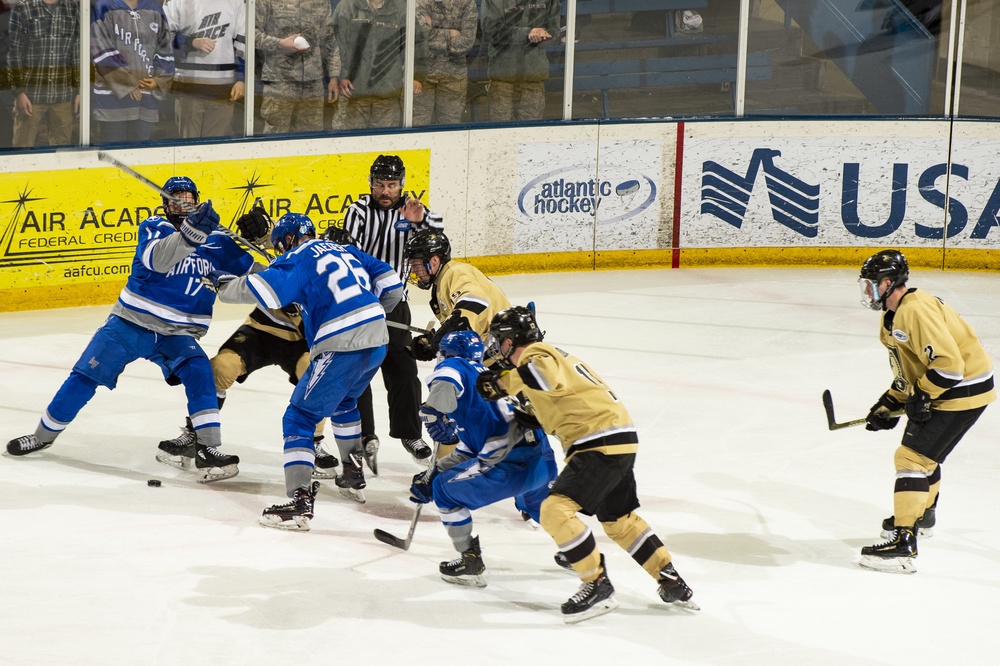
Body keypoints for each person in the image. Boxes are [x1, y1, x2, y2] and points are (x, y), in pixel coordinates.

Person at [7, 178, 253, 485]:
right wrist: (193, 233)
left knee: (200, 372)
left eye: (187, 199)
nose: (181, 205)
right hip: (129, 325)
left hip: (177, 335)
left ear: (197, 201)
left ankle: (208, 448)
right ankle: (42, 436)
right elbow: (159, 260)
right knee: (84, 378)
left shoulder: (218, 242)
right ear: (166, 205)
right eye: (174, 200)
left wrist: (262, 244)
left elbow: (245, 286)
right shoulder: (155, 227)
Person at [475, 305, 697, 623]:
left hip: (598, 441)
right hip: (617, 439)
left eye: (500, 340)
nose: (496, 347)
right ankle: (670, 579)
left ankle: (597, 584)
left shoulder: (536, 355)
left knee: (554, 510)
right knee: (619, 520)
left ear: (513, 341)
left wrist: (501, 384)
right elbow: (554, 401)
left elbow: (541, 376)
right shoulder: (549, 360)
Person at [208, 212, 404, 527]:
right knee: (344, 403)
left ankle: (299, 503)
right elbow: (392, 287)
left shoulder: (297, 257)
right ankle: (353, 474)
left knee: (299, 417)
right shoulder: (344, 250)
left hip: (341, 343)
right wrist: (366, 314)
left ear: (287, 240)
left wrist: (224, 286)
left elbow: (263, 290)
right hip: (377, 336)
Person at [156, 206, 339, 479]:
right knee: (220, 367)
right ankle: (197, 435)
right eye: (285, 241)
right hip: (261, 330)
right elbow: (266, 259)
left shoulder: (326, 263)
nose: (292, 245)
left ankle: (313, 444)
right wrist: (263, 236)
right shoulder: (284, 255)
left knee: (314, 379)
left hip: (302, 340)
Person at [858, 250, 994, 574]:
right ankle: (923, 515)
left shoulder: (915, 311)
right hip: (954, 390)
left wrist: (921, 395)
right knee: (924, 456)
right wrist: (890, 402)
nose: (867, 291)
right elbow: (913, 370)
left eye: (871, 285)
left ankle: (904, 544)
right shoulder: (893, 315)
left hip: (962, 391)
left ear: (888, 283)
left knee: (912, 459)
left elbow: (949, 367)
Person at [408, 329, 558, 587]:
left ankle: (470, 561)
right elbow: (469, 450)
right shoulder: (487, 377)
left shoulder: (453, 366)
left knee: (443, 491)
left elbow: (446, 378)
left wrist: (432, 413)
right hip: (543, 462)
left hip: (510, 465)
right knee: (540, 508)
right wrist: (432, 471)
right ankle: (578, 552)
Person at [342, 154, 443, 474]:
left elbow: (438, 243)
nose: (385, 191)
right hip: (361, 305)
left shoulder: (412, 211)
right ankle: (365, 434)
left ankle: (411, 435)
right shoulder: (358, 212)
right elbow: (348, 256)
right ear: (370, 183)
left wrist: (421, 220)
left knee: (403, 369)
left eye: (392, 185)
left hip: (396, 303)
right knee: (359, 371)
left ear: (402, 185)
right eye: (380, 184)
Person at [405, 228, 511, 361]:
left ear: (435, 260)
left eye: (416, 264)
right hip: (490, 350)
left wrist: (444, 335)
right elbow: (456, 322)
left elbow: (476, 300)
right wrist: (433, 343)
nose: (414, 270)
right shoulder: (440, 284)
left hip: (503, 349)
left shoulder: (455, 272)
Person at [332, 0, 428, 130]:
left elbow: (417, 41)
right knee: (349, 145)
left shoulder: (400, 8)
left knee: (386, 145)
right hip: (352, 94)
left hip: (388, 94)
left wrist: (416, 76)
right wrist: (341, 76)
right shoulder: (347, 6)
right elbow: (336, 43)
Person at [91, 0, 175, 143]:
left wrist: (159, 79)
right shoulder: (104, 6)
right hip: (111, 99)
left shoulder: (154, 8)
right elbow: (99, 48)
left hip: (146, 98)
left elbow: (165, 48)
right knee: (112, 153)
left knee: (140, 154)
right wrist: (127, 82)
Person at [163, 0, 246, 139]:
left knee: (214, 149)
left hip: (223, 89)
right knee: (188, 148)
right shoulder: (176, 1)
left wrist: (241, 79)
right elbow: (162, 37)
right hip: (188, 88)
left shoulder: (237, 2)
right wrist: (191, 42)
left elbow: (243, 42)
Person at [255, 0, 339, 134]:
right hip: (280, 81)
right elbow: (252, 33)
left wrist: (334, 77)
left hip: (313, 83)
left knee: (311, 138)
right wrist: (279, 43)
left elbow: (329, 39)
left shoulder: (322, 1)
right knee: (276, 137)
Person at [7, 0, 80, 148]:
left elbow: (77, 52)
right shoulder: (23, 8)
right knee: (22, 150)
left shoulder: (72, 7)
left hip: (63, 94)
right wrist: (19, 92)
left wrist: (80, 91)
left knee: (62, 152)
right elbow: (14, 53)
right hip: (30, 94)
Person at [479, 0, 559, 121]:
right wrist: (527, 34)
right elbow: (490, 31)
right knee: (500, 134)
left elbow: (554, 29)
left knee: (531, 134)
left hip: (533, 77)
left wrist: (541, 34)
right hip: (502, 78)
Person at [413, 0, 478, 126]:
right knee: (417, 128)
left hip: (454, 76)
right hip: (423, 75)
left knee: (450, 130)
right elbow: (420, 36)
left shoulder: (467, 3)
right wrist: (451, 34)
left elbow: (467, 42)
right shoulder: (421, 1)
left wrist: (433, 34)